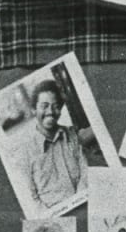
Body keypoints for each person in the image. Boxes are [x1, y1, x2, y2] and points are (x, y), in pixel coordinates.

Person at [18, 78, 84, 212]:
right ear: (33, 110)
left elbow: (85, 172)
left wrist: (79, 202)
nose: (50, 112)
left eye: (56, 106)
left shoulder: (72, 135)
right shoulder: (25, 151)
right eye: (44, 106)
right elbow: (31, 199)